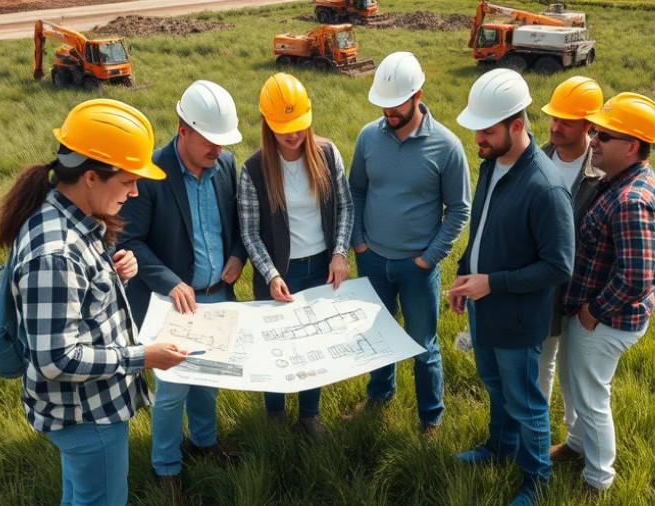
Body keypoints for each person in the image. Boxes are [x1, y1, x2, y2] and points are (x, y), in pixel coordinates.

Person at [0, 98, 189, 505]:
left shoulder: (71, 215)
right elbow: (55, 358)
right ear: (91, 178)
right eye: (127, 181)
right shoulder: (56, 254)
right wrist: (143, 357)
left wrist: (113, 272)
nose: (135, 192)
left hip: (87, 409)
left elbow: (75, 298)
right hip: (86, 416)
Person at [448, 68, 574, 506]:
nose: (478, 138)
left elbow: (559, 266)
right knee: (495, 387)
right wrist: (465, 276)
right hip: (485, 307)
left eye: (486, 130)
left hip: (519, 321)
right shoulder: (490, 164)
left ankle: (536, 482)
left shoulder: (546, 187)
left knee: (526, 403)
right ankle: (499, 448)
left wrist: (492, 284)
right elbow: (481, 229)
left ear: (516, 126)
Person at [117, 80, 247, 500]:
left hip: (217, 296)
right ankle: (166, 467)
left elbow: (239, 224)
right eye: (210, 140)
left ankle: (205, 442)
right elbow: (129, 241)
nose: (218, 150)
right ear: (183, 129)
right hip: (169, 304)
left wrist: (237, 255)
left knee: (208, 378)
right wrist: (171, 282)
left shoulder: (225, 165)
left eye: (223, 142)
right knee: (172, 391)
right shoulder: (151, 175)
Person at [550, 93, 655, 493]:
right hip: (591, 313)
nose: (594, 139)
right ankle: (576, 444)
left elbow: (636, 277)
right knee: (575, 386)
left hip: (606, 321)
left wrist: (592, 312)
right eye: (596, 131)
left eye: (603, 135)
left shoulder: (632, 200)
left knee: (591, 399)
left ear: (631, 146)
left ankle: (597, 480)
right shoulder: (618, 180)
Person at [349, 51, 470, 435]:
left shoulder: (446, 146)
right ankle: (380, 394)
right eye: (382, 103)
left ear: (418, 93)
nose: (388, 110)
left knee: (423, 346)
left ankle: (430, 417)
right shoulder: (369, 137)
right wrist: (359, 244)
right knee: (379, 337)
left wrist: (428, 259)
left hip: (417, 268)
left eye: (396, 102)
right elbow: (356, 191)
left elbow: (459, 209)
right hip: (372, 261)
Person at [238, 72, 354, 441]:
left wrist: (338, 253)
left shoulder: (327, 153)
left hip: (320, 268)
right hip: (280, 276)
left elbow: (346, 208)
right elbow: (250, 232)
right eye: (284, 128)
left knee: (313, 348)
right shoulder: (253, 169)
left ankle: (309, 415)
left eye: (299, 126)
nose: (293, 135)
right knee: (276, 349)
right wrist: (271, 274)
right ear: (267, 124)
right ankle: (275, 415)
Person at [537, 76, 604, 427]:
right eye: (553, 118)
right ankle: (537, 431)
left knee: (576, 370)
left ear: (589, 126)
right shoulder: (536, 159)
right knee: (543, 362)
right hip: (544, 285)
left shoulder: (603, 173)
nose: (556, 126)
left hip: (582, 291)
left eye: (567, 121)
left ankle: (575, 436)